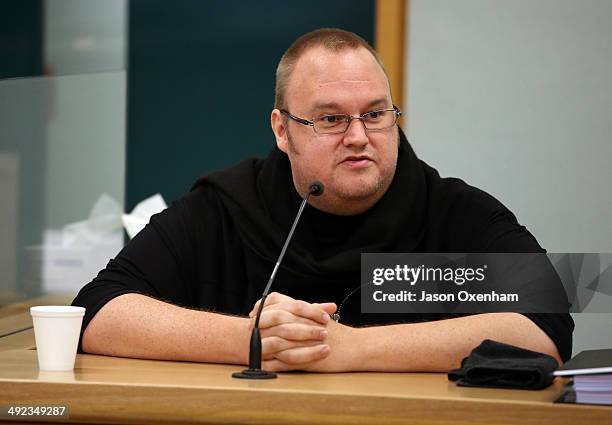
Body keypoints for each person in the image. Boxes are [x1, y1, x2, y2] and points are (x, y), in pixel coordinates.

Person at [72, 28, 573, 372]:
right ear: (282, 130)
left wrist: (352, 348)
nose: (358, 136)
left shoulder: (451, 210)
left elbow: (545, 325)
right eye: (331, 119)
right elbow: (95, 311)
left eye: (376, 114)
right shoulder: (224, 207)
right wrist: (249, 340)